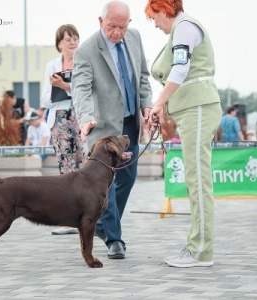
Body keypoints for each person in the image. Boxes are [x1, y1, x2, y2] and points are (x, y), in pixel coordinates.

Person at [72, 0, 152, 259]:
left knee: (126, 180)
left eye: (122, 26)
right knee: (104, 184)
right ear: (100, 22)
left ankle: (103, 225)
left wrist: (148, 106)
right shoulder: (86, 51)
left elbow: (142, 77)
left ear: (129, 24)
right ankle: (113, 239)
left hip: (129, 123)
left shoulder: (135, 38)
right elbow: (81, 88)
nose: (117, 32)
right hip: (102, 129)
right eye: (111, 26)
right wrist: (85, 118)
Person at [145, 0, 222, 268]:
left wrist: (157, 104)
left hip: (198, 107)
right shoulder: (182, 29)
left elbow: (180, 69)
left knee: (198, 179)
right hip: (193, 108)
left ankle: (200, 250)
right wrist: (161, 106)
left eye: (153, 17)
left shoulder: (185, 28)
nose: (154, 24)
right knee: (195, 179)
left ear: (163, 9)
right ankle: (197, 245)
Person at [41, 24, 87, 235]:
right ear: (59, 43)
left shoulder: (84, 63)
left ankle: (87, 216)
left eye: (75, 38)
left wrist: (65, 87)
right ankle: (68, 220)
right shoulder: (52, 66)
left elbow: (88, 92)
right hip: (60, 118)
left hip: (81, 117)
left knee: (84, 164)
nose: (72, 42)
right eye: (68, 39)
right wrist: (60, 91)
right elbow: (44, 99)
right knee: (66, 167)